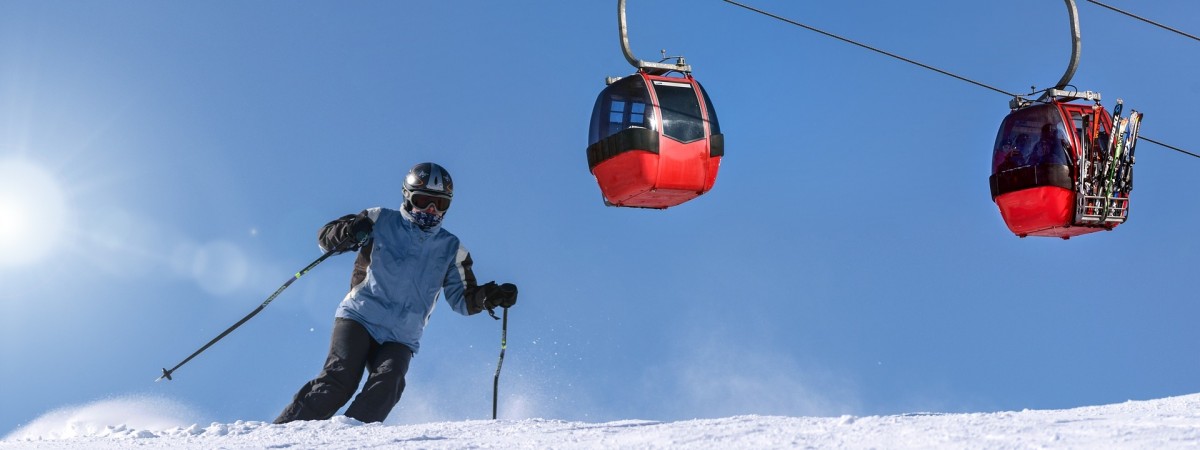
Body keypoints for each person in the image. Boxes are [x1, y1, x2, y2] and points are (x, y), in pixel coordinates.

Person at [274, 162, 518, 424]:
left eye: (439, 204)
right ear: (407, 196)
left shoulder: (451, 249)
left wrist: (490, 296)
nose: (431, 210)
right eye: (423, 200)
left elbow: (464, 300)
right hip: (360, 317)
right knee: (339, 381)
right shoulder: (380, 219)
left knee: (388, 384)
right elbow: (326, 239)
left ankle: (349, 439)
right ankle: (283, 434)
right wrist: (351, 231)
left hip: (401, 336)